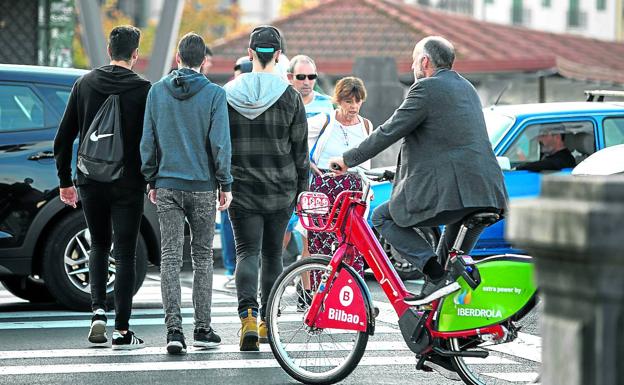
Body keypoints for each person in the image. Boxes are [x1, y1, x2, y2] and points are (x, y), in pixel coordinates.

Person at [329, 36, 508, 304]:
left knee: (382, 219)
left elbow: (388, 131)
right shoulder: (467, 88)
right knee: (446, 273)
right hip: (487, 192)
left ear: (424, 62)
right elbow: (445, 143)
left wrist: (347, 159)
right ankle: (444, 327)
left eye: (414, 59)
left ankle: (434, 273)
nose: (412, 65)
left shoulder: (425, 89)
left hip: (456, 193)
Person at [54, 25, 151, 349]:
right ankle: (122, 329)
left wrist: (65, 182)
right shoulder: (144, 89)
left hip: (90, 179)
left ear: (109, 52)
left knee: (98, 244)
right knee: (124, 253)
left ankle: (97, 312)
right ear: (135, 54)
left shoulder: (84, 84)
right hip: (129, 182)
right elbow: (152, 141)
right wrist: (151, 178)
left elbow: (63, 138)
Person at [141, 32, 233, 355]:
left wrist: (151, 179)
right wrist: (226, 183)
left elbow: (147, 142)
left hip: (167, 185)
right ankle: (203, 328)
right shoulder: (214, 95)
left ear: (177, 58)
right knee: (203, 256)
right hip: (204, 187)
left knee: (170, 256)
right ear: (203, 62)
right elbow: (220, 144)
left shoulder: (156, 93)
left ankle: (174, 330)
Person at [224, 25, 309, 351]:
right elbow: (300, 150)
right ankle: (265, 323)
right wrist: (301, 188)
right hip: (280, 188)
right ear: (277, 55)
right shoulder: (289, 96)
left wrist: (223, 181)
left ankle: (247, 316)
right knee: (273, 255)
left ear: (249, 55)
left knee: (247, 252)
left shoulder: (229, 93)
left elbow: (220, 144)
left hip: (241, 188)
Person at [307, 77, 372, 285]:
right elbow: (294, 138)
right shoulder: (325, 119)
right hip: (325, 188)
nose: (354, 106)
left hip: (353, 190)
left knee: (354, 243)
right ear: (339, 101)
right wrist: (309, 165)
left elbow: (367, 161)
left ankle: (354, 297)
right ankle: (319, 298)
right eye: (348, 101)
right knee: (321, 245)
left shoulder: (367, 125)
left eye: (358, 101)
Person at [283, 55, 334, 261]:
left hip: (317, 184)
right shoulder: (282, 103)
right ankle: (267, 287)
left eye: (311, 76)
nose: (307, 82)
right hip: (287, 181)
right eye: (301, 76)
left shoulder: (328, 104)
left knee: (312, 239)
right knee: (281, 238)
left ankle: (308, 289)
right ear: (289, 77)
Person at [221, 55, 253, 291]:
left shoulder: (230, 94)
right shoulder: (226, 95)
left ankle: (240, 270)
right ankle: (233, 269)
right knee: (228, 221)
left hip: (244, 169)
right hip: (231, 170)